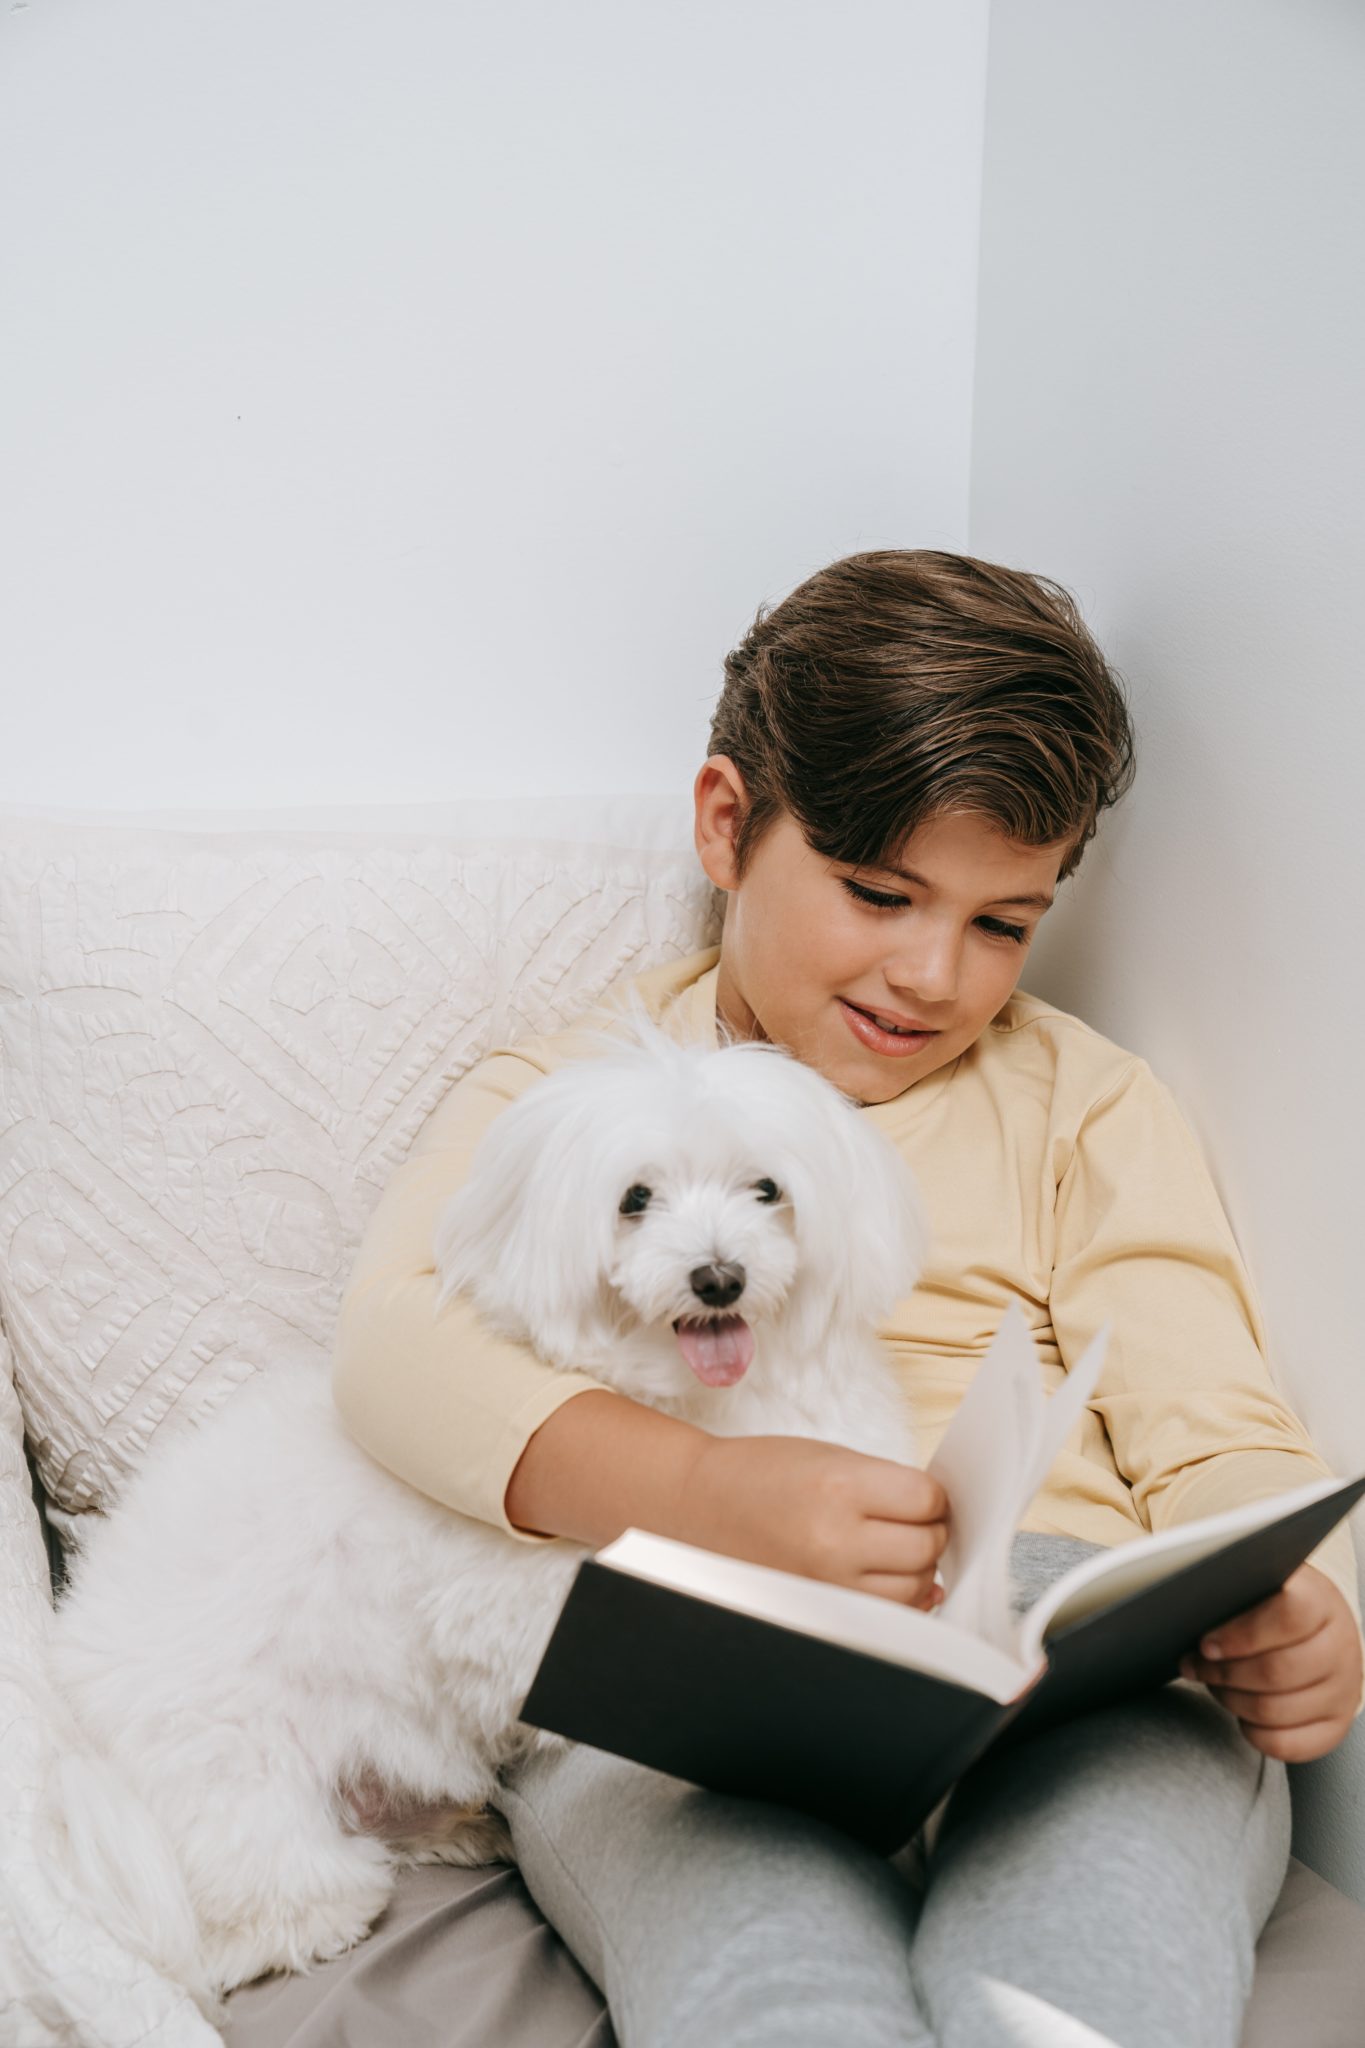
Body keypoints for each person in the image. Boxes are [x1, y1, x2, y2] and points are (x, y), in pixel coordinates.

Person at [328, 550, 1364, 2048]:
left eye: (1003, 922)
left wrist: (1309, 1605)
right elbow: (390, 1345)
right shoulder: (571, 1099)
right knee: (769, 1989)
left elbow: (1213, 1419)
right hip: (690, 1676)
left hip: (1066, 1675)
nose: (933, 975)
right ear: (727, 826)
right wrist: (701, 1488)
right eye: (878, 894)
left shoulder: (1080, 1104)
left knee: (1089, 1975)